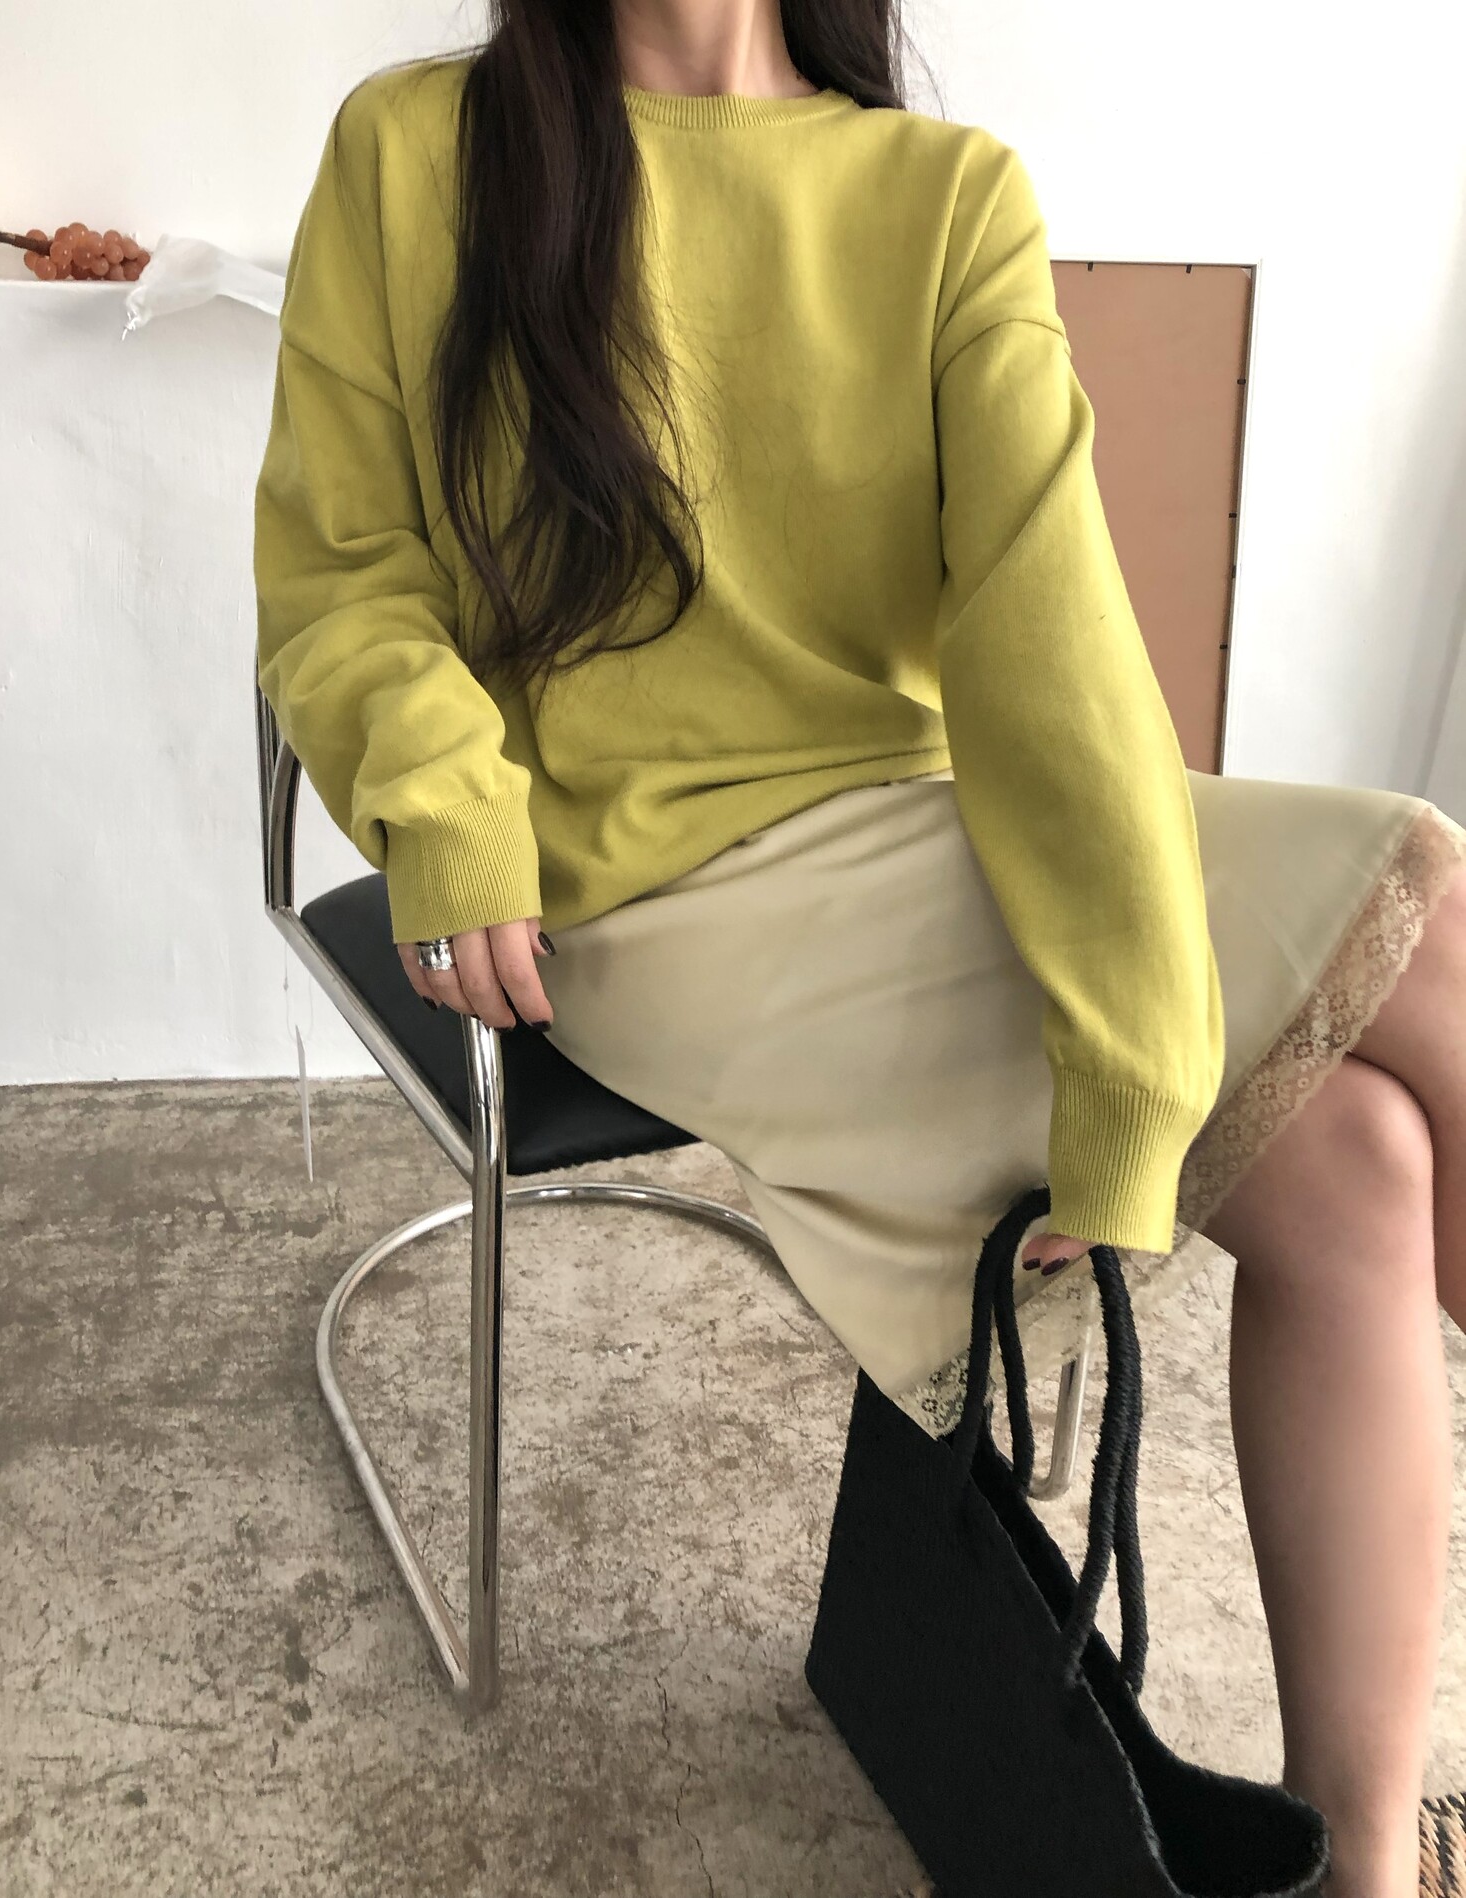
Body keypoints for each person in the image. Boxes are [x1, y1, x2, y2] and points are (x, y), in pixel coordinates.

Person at [251, 5, 1466, 1892]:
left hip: (910, 826)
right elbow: (345, 572)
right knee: (1438, 909)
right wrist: (447, 801)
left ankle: (1364, 1860)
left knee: (1367, 1159)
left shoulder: (937, 191)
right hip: (633, 887)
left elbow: (1051, 648)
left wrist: (1128, 1061)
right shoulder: (418, 153)